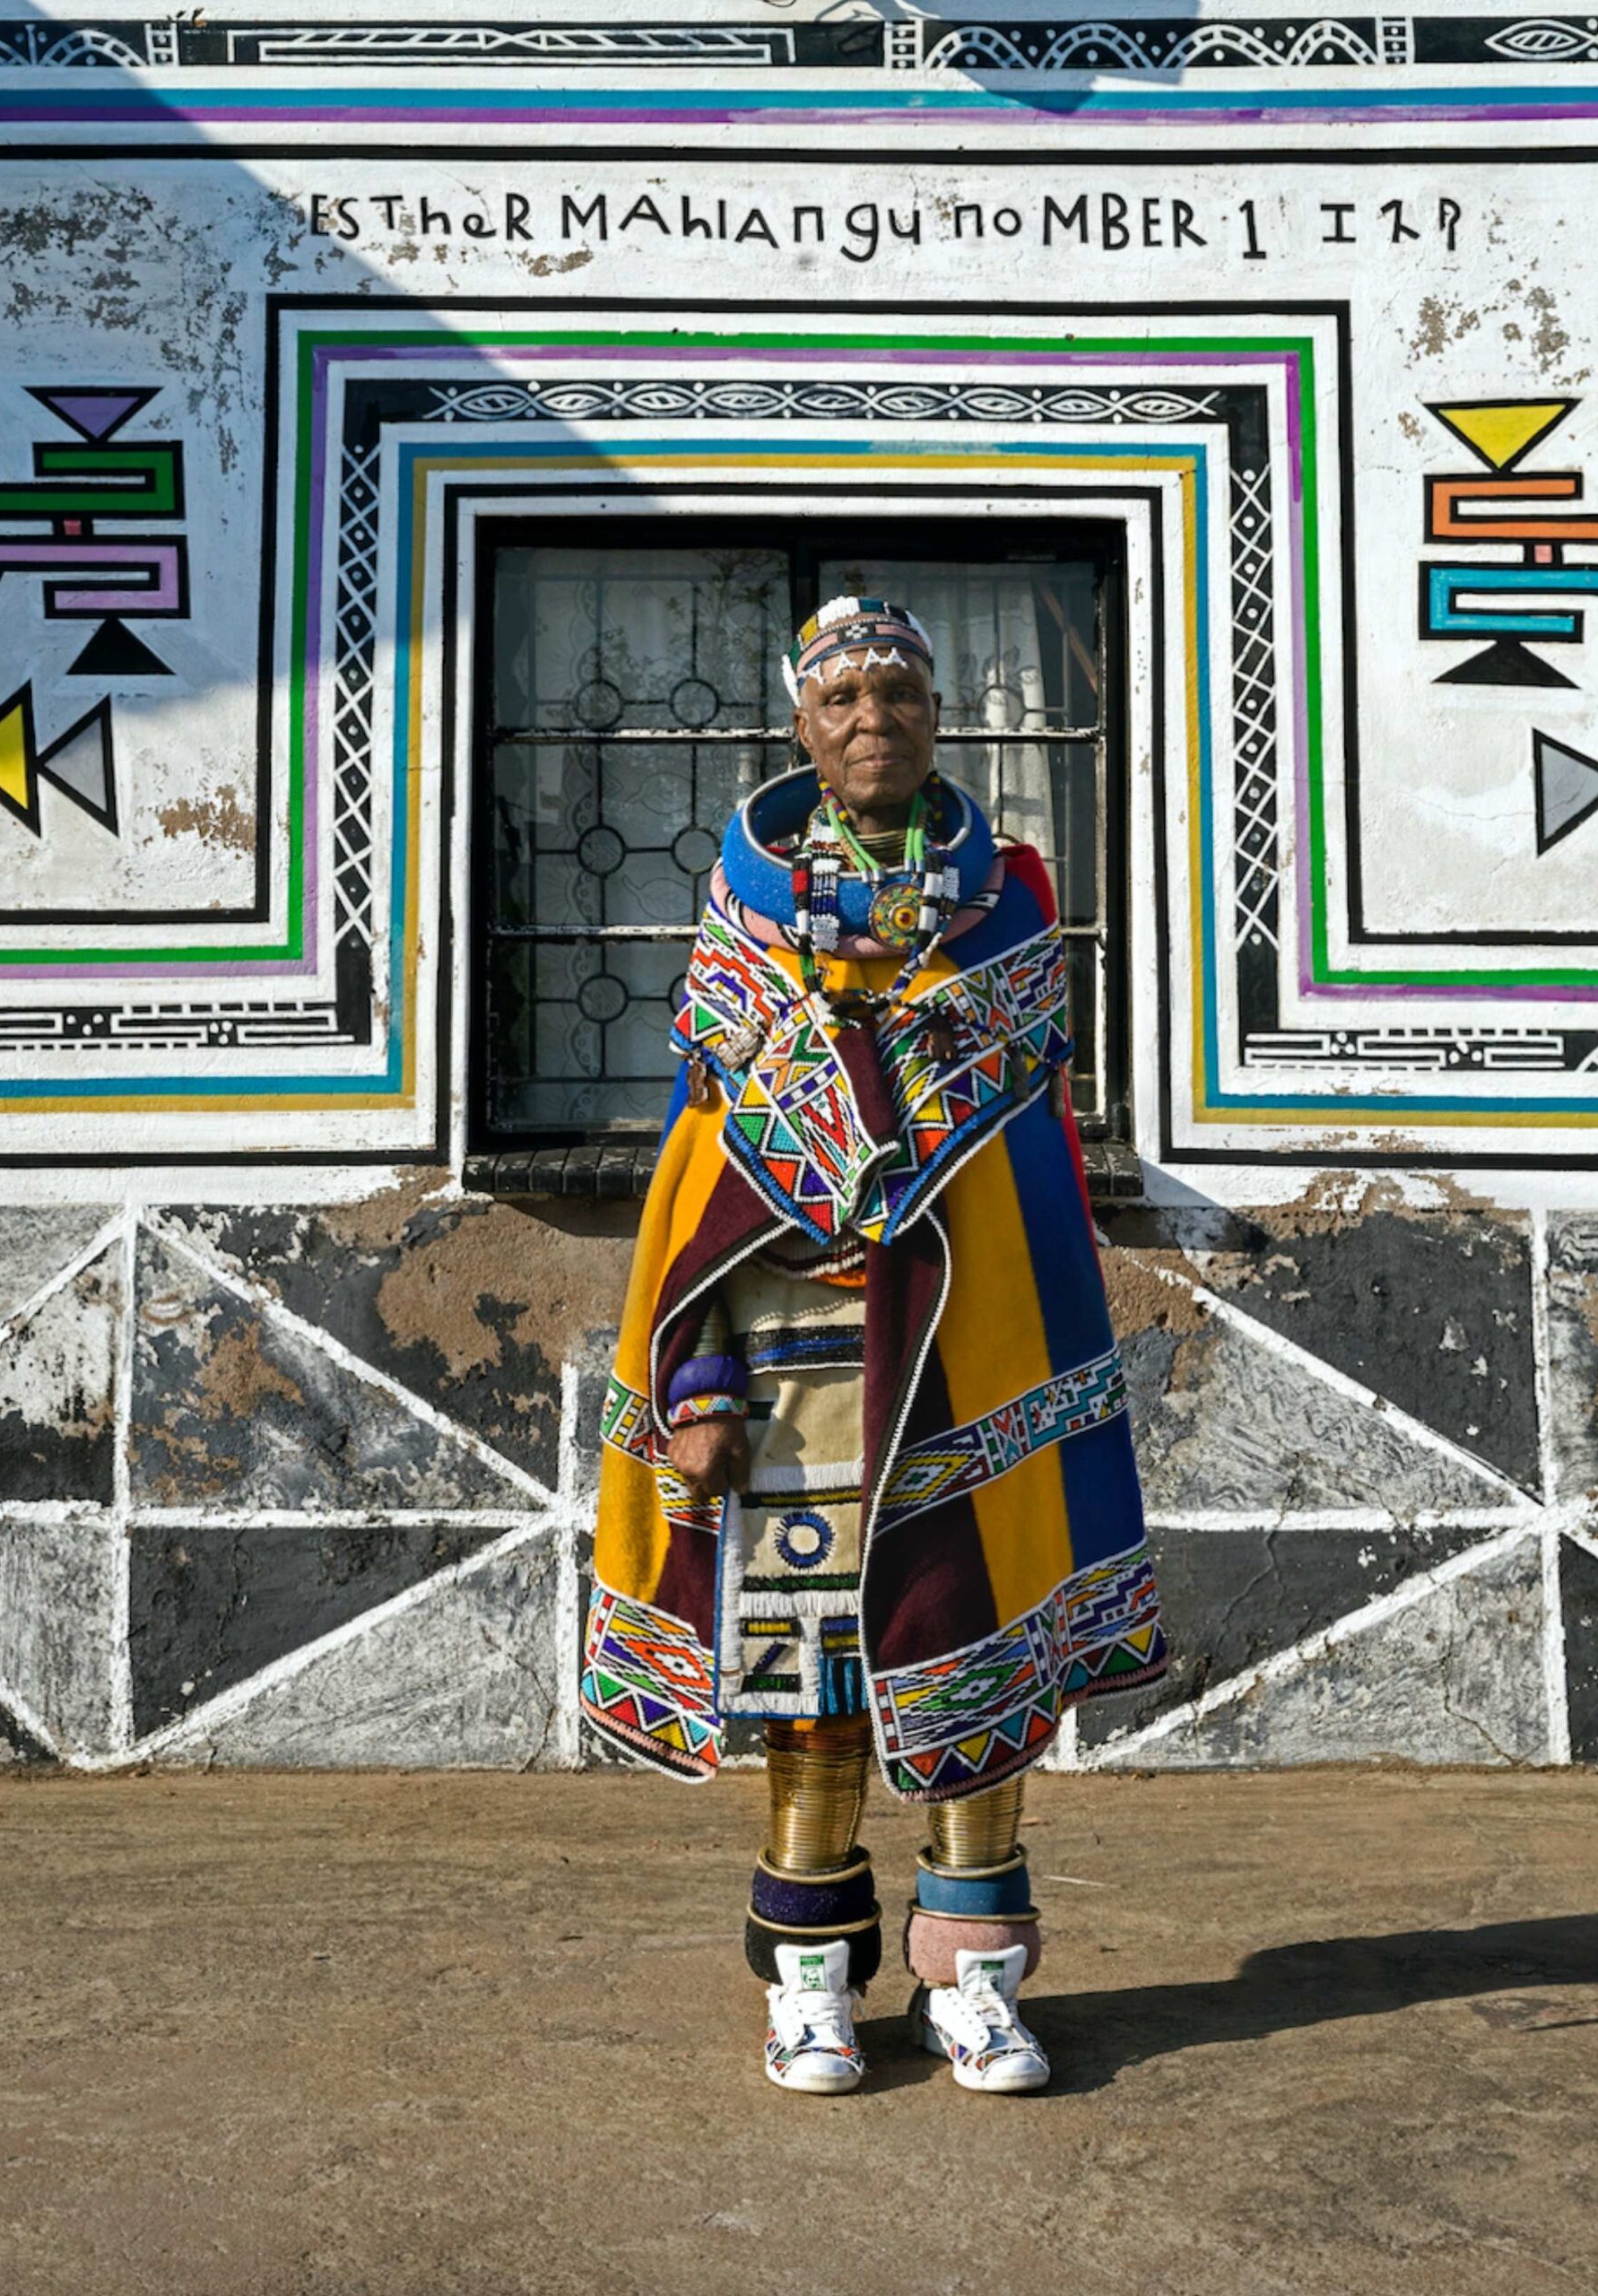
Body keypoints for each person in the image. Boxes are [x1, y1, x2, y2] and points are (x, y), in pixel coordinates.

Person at [581, 596, 1166, 2095]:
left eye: (897, 692)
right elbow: (704, 1162)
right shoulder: (747, 912)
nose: (871, 720)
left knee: (980, 1643)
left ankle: (977, 1982)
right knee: (813, 1671)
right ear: (802, 725)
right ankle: (813, 1984)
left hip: (976, 1327)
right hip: (797, 1340)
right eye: (841, 697)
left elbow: (1022, 1122)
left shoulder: (1010, 898)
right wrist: (697, 1377)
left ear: (937, 715)